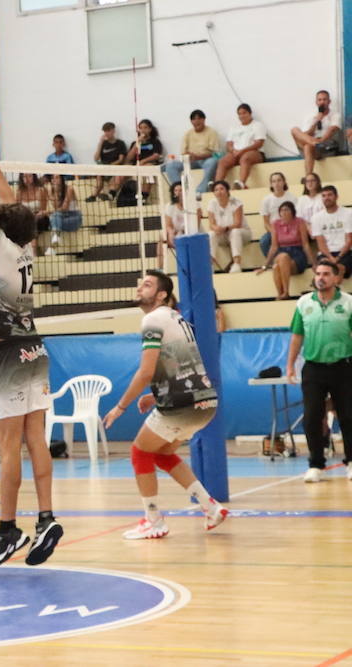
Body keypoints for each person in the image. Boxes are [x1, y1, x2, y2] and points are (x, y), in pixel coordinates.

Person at [0, 125, 62, 569]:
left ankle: (7, 529)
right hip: (33, 348)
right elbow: (6, 199)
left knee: (9, 443)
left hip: (7, 354)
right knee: (35, 437)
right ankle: (46, 517)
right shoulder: (24, 246)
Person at [102, 270, 227, 539]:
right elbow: (175, 364)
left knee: (139, 453)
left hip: (182, 404)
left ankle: (154, 520)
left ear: (162, 295)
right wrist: (157, 395)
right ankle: (210, 507)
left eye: (147, 285)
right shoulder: (175, 317)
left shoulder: (153, 319)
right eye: (140, 284)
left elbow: (145, 371)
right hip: (203, 401)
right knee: (160, 453)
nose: (139, 289)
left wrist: (120, 407)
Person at [285, 260, 352, 483]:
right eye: (318, 274)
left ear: (335, 278)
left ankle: (350, 462)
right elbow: (297, 336)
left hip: (343, 367)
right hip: (313, 368)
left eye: (325, 274)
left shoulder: (348, 302)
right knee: (312, 417)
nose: (320, 277)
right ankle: (316, 464)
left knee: (348, 416)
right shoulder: (304, 303)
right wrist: (290, 365)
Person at [256, 201, 314, 299]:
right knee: (279, 261)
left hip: (297, 253)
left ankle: (286, 292)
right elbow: (274, 247)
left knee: (279, 262)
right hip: (281, 252)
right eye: (282, 210)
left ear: (292, 211)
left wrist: (314, 263)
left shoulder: (300, 222)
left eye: (287, 209)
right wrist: (265, 266)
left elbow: (305, 244)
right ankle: (281, 293)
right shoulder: (275, 224)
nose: (284, 212)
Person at [162, 109, 221, 198]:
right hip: (191, 161)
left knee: (212, 161)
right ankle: (180, 190)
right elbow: (183, 152)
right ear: (191, 121)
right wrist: (189, 156)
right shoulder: (188, 134)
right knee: (171, 165)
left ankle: (200, 191)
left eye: (199, 119)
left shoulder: (211, 132)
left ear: (204, 120)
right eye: (194, 119)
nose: (196, 121)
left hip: (205, 160)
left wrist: (198, 156)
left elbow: (214, 153)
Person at [290, 90, 343, 176]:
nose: (322, 102)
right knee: (294, 130)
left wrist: (321, 141)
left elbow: (332, 130)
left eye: (324, 99)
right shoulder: (310, 116)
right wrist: (316, 121)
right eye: (320, 100)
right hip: (314, 143)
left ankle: (308, 176)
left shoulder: (335, 115)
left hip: (326, 145)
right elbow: (305, 135)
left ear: (329, 101)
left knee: (308, 146)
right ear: (316, 102)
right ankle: (315, 143)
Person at [203, 180, 251, 273]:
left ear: (227, 190)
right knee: (211, 234)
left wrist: (225, 228)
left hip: (241, 233)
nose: (219, 192)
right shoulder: (212, 203)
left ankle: (237, 264)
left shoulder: (236, 202)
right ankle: (210, 264)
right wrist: (216, 228)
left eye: (221, 189)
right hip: (222, 234)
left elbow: (238, 223)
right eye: (216, 190)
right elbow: (211, 224)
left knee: (235, 231)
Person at [215, 103, 266, 189]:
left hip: (254, 153)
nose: (242, 116)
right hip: (236, 153)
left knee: (245, 158)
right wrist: (233, 150)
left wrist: (242, 151)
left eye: (244, 113)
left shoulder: (258, 125)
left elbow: (259, 143)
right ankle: (217, 184)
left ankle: (241, 183)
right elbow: (229, 144)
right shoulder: (234, 127)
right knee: (223, 161)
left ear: (250, 113)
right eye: (239, 114)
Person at [309, 185, 352, 279]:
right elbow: (321, 243)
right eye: (323, 196)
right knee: (325, 270)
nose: (326, 198)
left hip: (344, 253)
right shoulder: (316, 218)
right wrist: (331, 258)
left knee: (339, 269)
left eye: (329, 195)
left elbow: (349, 240)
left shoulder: (348, 213)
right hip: (326, 253)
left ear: (336, 197)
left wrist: (338, 258)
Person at [258, 173, 299, 258]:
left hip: (290, 229)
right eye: (274, 181)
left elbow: (296, 218)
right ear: (271, 184)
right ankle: (275, 263)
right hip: (274, 230)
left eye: (279, 180)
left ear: (284, 182)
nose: (276, 183)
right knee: (264, 242)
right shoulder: (266, 200)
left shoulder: (292, 198)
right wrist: (274, 232)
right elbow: (266, 222)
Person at [122, 119, 163, 200]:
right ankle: (112, 193)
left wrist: (143, 161)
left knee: (148, 169)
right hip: (136, 166)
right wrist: (137, 143)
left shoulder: (155, 141)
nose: (143, 130)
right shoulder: (135, 143)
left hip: (149, 165)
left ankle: (144, 195)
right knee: (121, 171)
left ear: (150, 129)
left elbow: (156, 155)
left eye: (145, 127)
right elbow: (128, 158)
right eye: (141, 128)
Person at [87, 122, 126, 202]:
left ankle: (110, 195)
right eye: (105, 131)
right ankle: (94, 195)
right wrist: (100, 143)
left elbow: (121, 159)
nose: (106, 133)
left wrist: (111, 166)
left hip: (115, 167)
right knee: (99, 174)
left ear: (113, 131)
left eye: (108, 130)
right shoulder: (103, 144)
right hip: (103, 168)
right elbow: (96, 158)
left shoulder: (120, 143)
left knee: (117, 177)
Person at [45, 173, 83, 255]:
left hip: (74, 218)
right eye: (52, 178)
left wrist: (48, 212)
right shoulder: (52, 191)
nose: (54, 180)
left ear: (62, 179)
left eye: (57, 178)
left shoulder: (69, 189)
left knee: (53, 218)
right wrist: (54, 193)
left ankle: (55, 239)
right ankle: (55, 240)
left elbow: (64, 208)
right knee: (54, 218)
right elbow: (57, 208)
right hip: (61, 218)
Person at [162, 182, 190, 265]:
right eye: (176, 190)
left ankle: (186, 263)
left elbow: (196, 222)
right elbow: (168, 225)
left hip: (191, 230)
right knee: (162, 237)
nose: (178, 192)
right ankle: (161, 267)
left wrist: (181, 231)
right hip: (175, 231)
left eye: (181, 190)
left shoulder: (192, 203)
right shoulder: (169, 206)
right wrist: (171, 233)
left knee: (182, 238)